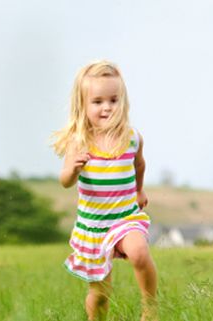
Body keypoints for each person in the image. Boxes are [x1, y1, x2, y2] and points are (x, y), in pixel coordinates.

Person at [52, 60, 158, 321]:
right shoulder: (79, 141)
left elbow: (139, 163)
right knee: (100, 294)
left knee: (139, 251)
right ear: (83, 105)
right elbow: (64, 181)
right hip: (94, 226)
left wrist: (139, 190)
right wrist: (74, 170)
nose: (107, 107)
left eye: (113, 100)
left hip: (125, 217)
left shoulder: (132, 137)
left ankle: (151, 308)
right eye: (98, 102)